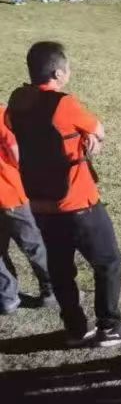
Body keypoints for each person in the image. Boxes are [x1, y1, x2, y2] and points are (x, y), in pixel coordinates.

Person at [7, 42, 121, 347]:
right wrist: (88, 137)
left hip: (40, 203)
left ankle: (75, 328)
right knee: (108, 261)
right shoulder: (64, 104)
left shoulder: (17, 101)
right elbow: (99, 130)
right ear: (58, 73)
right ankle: (109, 325)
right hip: (77, 201)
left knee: (60, 269)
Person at [0, 102, 53, 313]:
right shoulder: (1, 114)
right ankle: (52, 290)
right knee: (33, 244)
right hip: (9, 192)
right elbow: (14, 150)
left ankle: (7, 297)